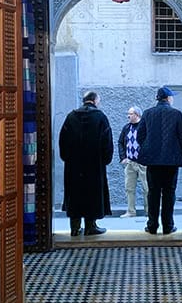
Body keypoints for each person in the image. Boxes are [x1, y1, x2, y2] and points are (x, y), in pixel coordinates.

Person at [58, 91, 113, 236]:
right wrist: (105, 160)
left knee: (74, 193)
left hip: (73, 165)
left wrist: (67, 158)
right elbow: (107, 142)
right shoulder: (100, 117)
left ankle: (74, 228)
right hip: (94, 164)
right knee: (92, 194)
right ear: (95, 101)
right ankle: (90, 226)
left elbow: (62, 140)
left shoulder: (71, 117)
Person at [136, 86, 182, 235]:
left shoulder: (147, 113)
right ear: (168, 98)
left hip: (152, 162)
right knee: (169, 193)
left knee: (153, 193)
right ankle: (168, 226)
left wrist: (149, 150)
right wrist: (176, 153)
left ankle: (152, 226)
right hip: (171, 162)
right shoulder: (176, 114)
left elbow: (140, 136)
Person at [117, 106, 149, 218]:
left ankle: (148, 211)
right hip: (130, 163)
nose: (128, 116)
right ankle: (131, 211)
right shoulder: (126, 128)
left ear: (137, 115)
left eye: (130, 113)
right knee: (129, 188)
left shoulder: (144, 127)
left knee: (147, 188)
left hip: (143, 163)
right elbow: (120, 142)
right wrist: (123, 157)